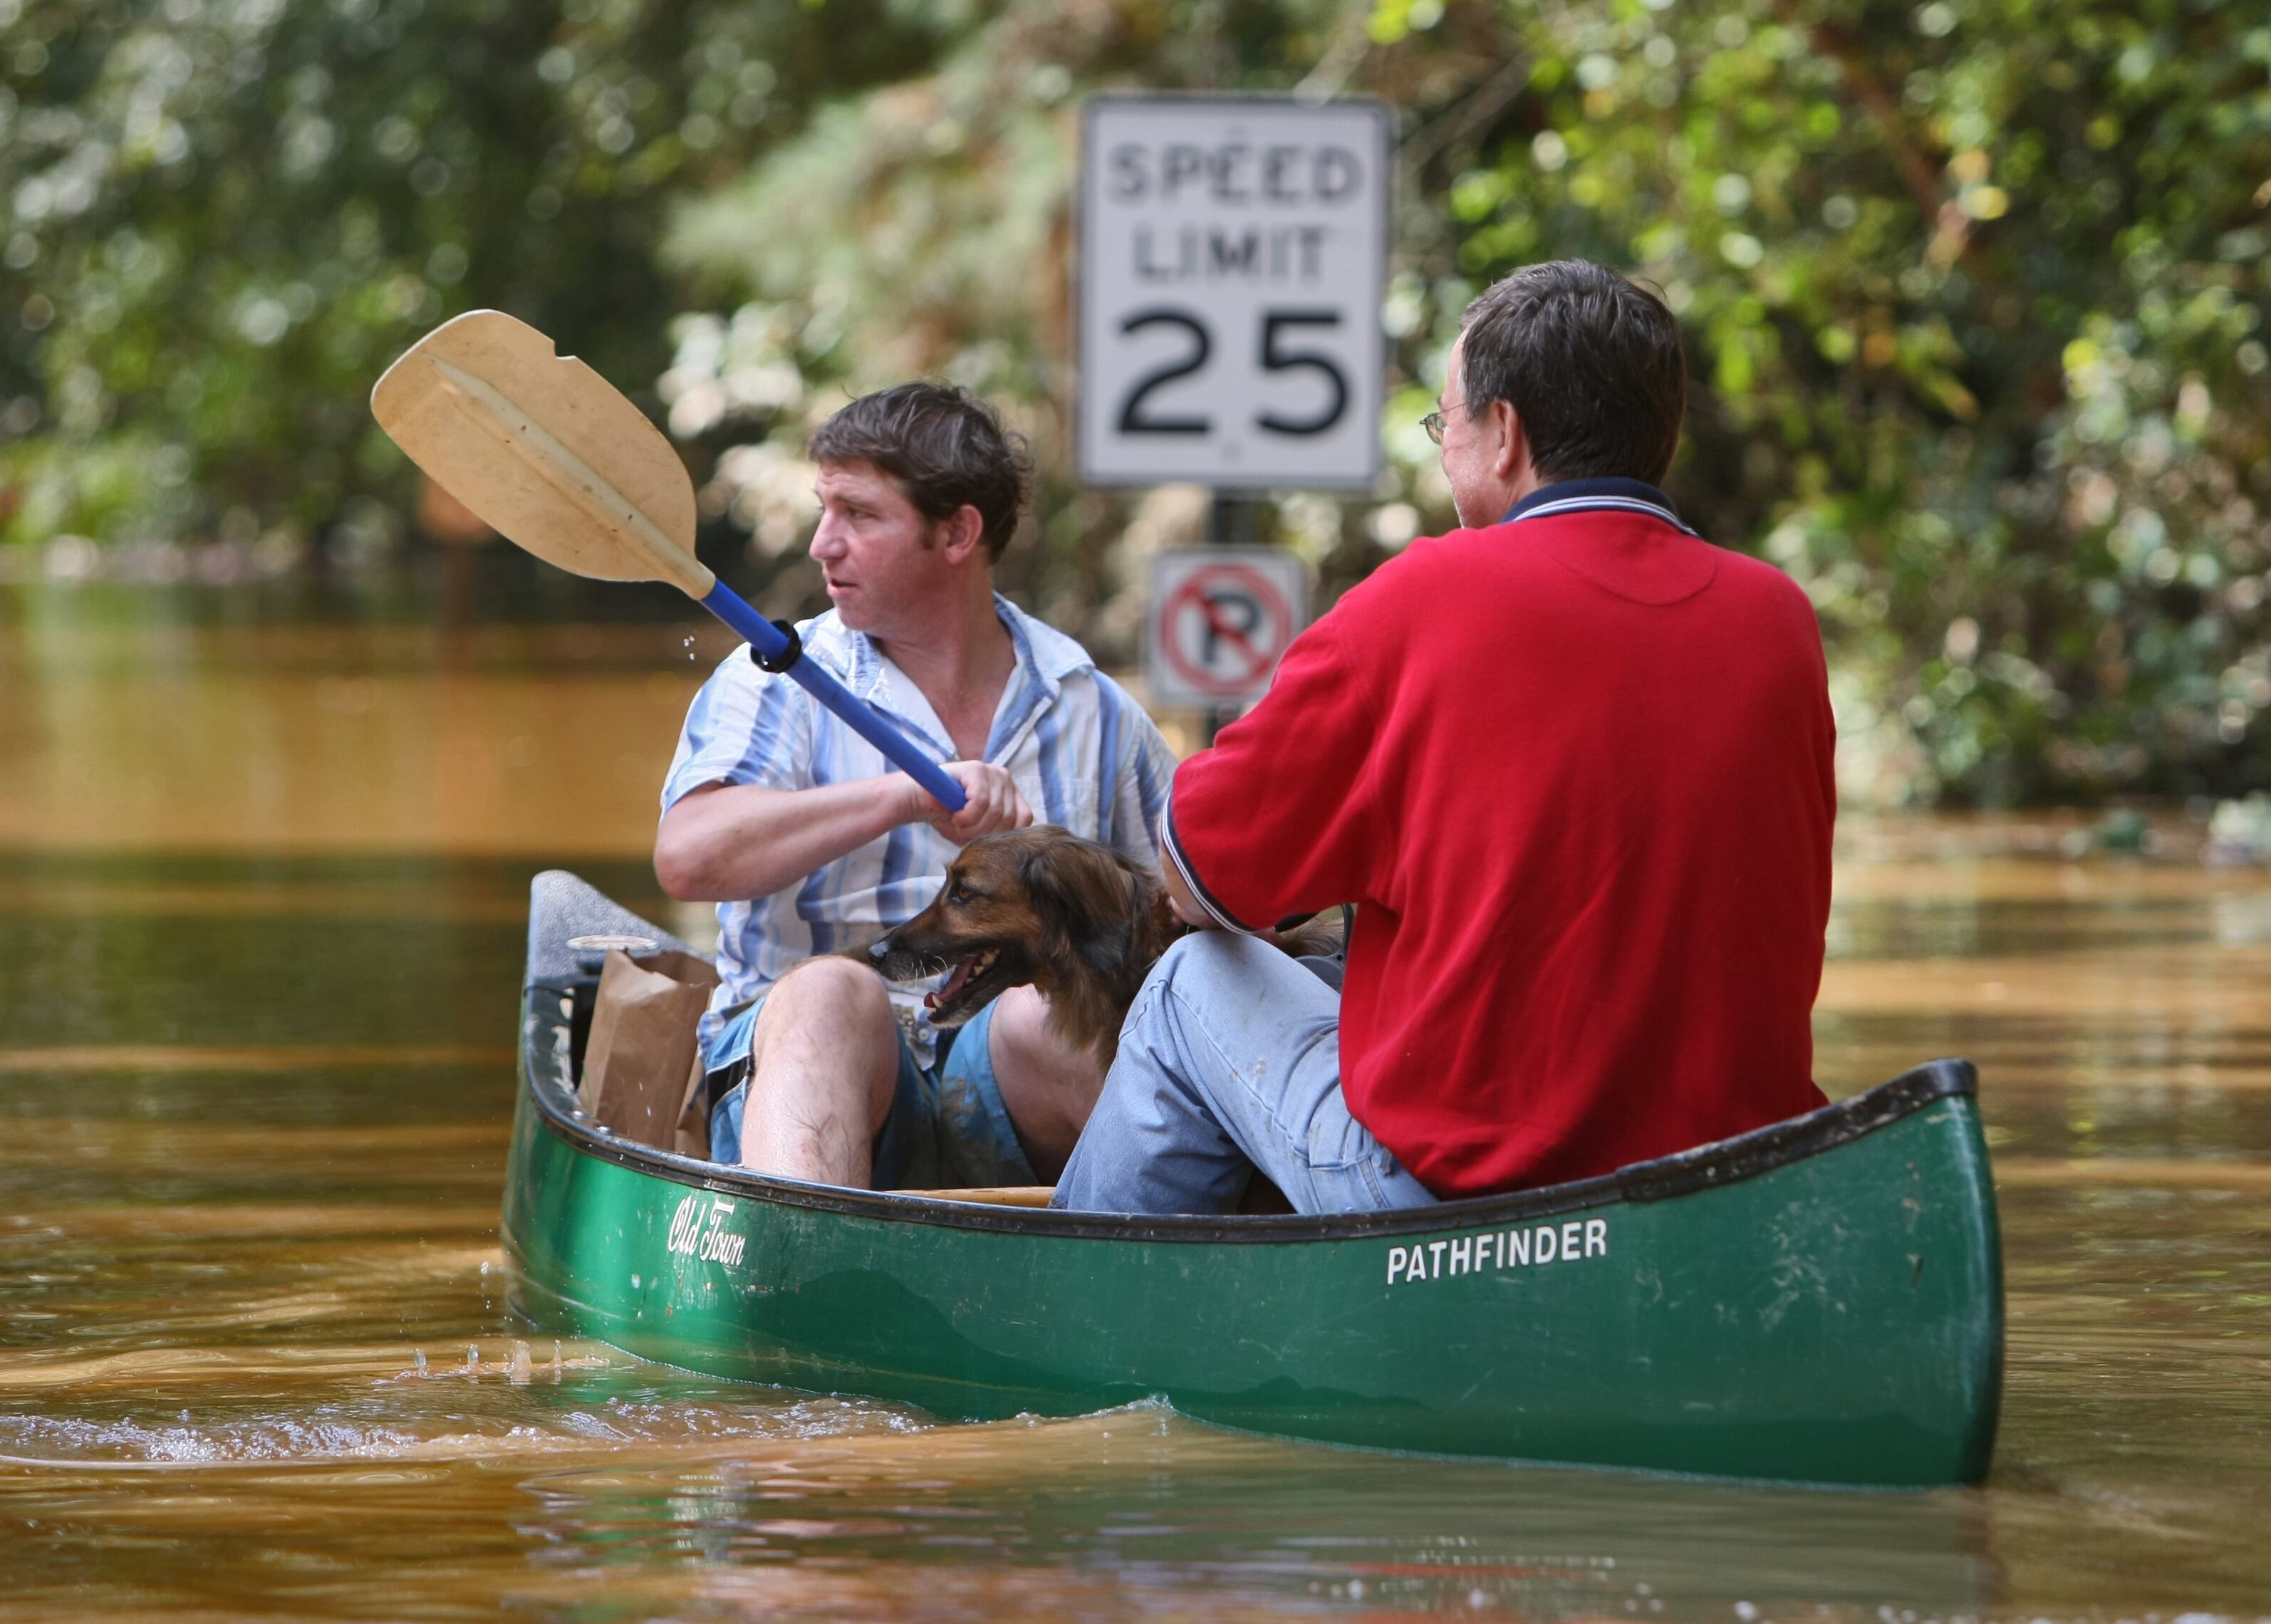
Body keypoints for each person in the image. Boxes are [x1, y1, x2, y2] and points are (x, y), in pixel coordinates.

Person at [1053, 261, 1835, 1215]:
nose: (1442, 452)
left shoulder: (1421, 600)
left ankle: (1082, 1314)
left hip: (1462, 1197)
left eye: (1445, 424)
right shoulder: (1778, 621)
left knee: (1188, 981)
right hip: (1723, 1185)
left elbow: (1197, 871)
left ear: (1505, 434)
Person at [656, 382, 1175, 1189]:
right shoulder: (774, 680)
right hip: (813, 1064)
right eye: (824, 510)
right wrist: (899, 796)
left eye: (859, 516)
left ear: (958, 532)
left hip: (1010, 1088)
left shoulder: (1093, 709)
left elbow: (1180, 915)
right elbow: (688, 860)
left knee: (1076, 1010)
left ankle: (1166, 1269)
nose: (823, 545)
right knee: (833, 992)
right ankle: (805, 1270)